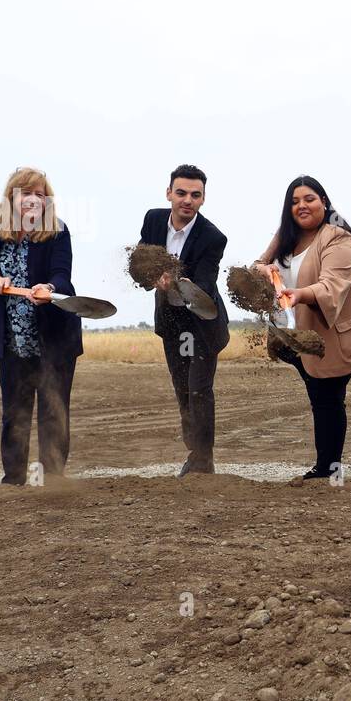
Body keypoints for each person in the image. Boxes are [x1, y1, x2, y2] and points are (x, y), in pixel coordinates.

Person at [253, 176, 351, 480]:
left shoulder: (338, 239)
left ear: (324, 202)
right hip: (296, 336)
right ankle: (326, 466)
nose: (302, 206)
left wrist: (297, 295)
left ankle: (328, 469)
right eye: (294, 202)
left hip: (334, 336)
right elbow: (258, 263)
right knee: (320, 397)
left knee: (327, 398)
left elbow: (330, 286)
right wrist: (263, 268)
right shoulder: (286, 236)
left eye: (309, 199)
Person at [0, 167, 83, 485]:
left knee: (53, 410)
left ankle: (54, 479)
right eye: (26, 193)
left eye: (40, 194)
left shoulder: (58, 231)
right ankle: (14, 478)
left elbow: (63, 275)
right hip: (12, 339)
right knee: (14, 411)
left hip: (54, 337)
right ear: (12, 197)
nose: (33, 199)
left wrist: (49, 287)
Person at [137, 164, 230, 476]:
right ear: (169, 194)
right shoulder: (152, 220)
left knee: (199, 389)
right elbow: (140, 261)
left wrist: (175, 280)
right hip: (172, 324)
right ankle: (197, 452)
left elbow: (203, 285)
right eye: (181, 193)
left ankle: (203, 461)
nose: (187, 200)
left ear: (203, 199)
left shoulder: (213, 238)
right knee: (182, 390)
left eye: (195, 195)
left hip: (202, 324)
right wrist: (152, 278)